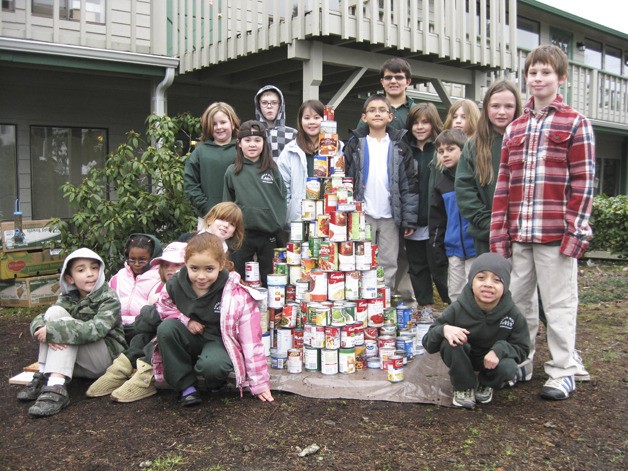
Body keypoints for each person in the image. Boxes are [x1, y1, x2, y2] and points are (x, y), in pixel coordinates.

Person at [490, 45, 595, 400]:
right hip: (519, 235)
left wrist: (575, 233)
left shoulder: (575, 123)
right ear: (526, 77)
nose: (538, 78)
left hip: (555, 235)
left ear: (560, 78)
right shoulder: (514, 129)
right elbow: (503, 184)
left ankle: (563, 370)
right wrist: (499, 234)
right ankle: (522, 361)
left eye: (546, 72)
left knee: (559, 304)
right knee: (518, 304)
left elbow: (583, 183)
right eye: (533, 72)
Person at [156, 232, 273, 406]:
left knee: (213, 366)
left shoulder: (236, 293)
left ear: (221, 265)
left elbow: (251, 341)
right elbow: (164, 308)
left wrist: (260, 383)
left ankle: (215, 382)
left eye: (209, 269)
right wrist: (185, 320)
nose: (201, 276)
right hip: (189, 337)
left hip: (219, 342)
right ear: (186, 264)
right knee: (166, 329)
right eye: (194, 268)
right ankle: (186, 386)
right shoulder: (174, 285)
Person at [17, 248, 126, 417]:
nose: (90, 274)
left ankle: (57, 389)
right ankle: (45, 375)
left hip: (104, 360)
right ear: (70, 278)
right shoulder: (68, 297)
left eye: (94, 268)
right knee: (54, 313)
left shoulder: (108, 297)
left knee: (63, 326)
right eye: (81, 270)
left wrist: (56, 331)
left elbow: (96, 329)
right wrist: (39, 328)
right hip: (76, 363)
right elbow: (44, 318)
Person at [422, 253, 530, 410]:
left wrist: (500, 349)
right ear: (471, 281)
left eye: (497, 280)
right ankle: (463, 387)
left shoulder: (514, 314)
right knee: (451, 343)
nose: (488, 284)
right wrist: (444, 329)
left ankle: (486, 384)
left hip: (492, 361)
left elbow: (523, 349)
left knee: (509, 367)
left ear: (505, 285)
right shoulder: (457, 308)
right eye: (481, 278)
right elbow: (428, 343)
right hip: (464, 357)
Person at [85, 241, 186, 401]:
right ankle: (122, 367)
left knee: (162, 330)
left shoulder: (191, 291)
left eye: (177, 264)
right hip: (139, 327)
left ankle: (147, 375)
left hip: (185, 343)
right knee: (143, 334)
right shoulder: (164, 287)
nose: (170, 269)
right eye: (166, 265)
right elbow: (142, 323)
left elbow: (154, 317)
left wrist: (148, 310)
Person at [344, 95, 418, 289]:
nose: (377, 113)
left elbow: (409, 184)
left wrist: (409, 219)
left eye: (382, 110)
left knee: (388, 262)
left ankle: (382, 302)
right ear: (364, 117)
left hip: (389, 217)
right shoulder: (354, 144)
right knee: (360, 261)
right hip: (362, 215)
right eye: (372, 110)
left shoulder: (400, 146)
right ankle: (361, 303)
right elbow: (344, 178)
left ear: (390, 116)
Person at [455, 79, 522, 256]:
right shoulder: (474, 145)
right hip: (487, 237)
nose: (501, 112)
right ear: (486, 108)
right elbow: (465, 190)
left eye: (508, 106)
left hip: (523, 237)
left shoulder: (527, 141)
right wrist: (490, 224)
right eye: (495, 106)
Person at [223, 120, 287, 286]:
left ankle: (271, 311)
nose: (252, 145)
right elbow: (227, 204)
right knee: (238, 277)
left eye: (257, 140)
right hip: (243, 234)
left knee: (271, 278)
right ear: (239, 143)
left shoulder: (271, 169)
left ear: (264, 143)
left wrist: (277, 223)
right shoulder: (232, 171)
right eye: (248, 140)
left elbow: (282, 197)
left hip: (269, 234)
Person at [404, 103, 450, 314]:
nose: (420, 127)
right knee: (417, 266)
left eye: (425, 122)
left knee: (438, 266)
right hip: (413, 220)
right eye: (416, 123)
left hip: (437, 220)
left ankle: (453, 306)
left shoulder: (441, 149)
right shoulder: (404, 149)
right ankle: (426, 307)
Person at [278, 99, 344, 228]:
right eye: (307, 118)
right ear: (300, 121)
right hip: (299, 218)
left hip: (329, 217)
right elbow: (282, 186)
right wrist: (290, 211)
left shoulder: (338, 147)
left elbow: (343, 181)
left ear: (324, 120)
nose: (312, 122)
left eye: (316, 117)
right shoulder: (290, 150)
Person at [429, 129, 477, 303]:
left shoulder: (475, 177)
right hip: (453, 248)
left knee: (475, 291)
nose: (445, 155)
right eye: (441, 152)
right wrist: (437, 247)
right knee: (455, 294)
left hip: (475, 247)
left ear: (464, 150)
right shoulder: (441, 183)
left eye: (450, 149)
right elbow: (437, 220)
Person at [184, 102, 241, 229]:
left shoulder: (242, 150)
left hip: (239, 219)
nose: (219, 127)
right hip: (208, 219)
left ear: (233, 123)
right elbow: (190, 185)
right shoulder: (199, 152)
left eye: (223, 122)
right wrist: (207, 209)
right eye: (214, 124)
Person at [109, 233, 162, 339]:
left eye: (142, 260)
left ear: (152, 257)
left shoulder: (159, 279)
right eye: (132, 259)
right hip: (117, 326)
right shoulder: (118, 277)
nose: (136, 264)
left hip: (143, 329)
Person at [254, 85, 297, 161]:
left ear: (280, 105)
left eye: (274, 103)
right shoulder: (253, 132)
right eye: (264, 103)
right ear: (258, 105)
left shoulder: (292, 134)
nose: (269, 106)